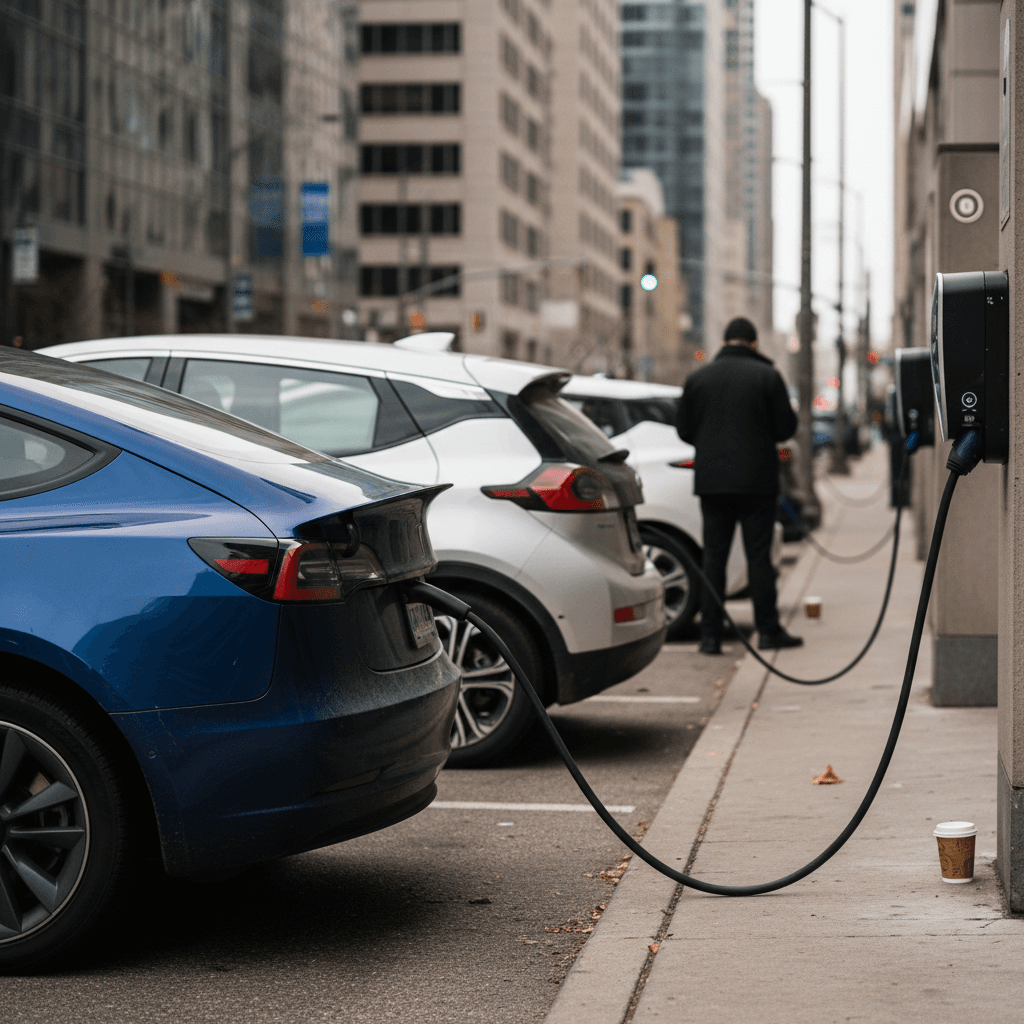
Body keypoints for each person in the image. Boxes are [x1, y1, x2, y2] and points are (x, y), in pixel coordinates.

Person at [677, 316, 803, 655]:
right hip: (756, 482)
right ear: (753, 343)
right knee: (759, 558)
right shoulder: (767, 376)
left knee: (713, 559)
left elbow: (684, 430)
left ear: (724, 342)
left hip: (712, 483)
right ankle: (767, 631)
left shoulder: (698, 378)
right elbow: (785, 428)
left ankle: (710, 637)